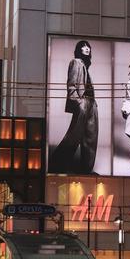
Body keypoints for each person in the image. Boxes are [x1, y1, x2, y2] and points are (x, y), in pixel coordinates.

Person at [49, 40, 99, 174]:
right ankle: (56, 163)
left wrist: (92, 104)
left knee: (91, 138)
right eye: (84, 46)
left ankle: (87, 169)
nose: (87, 48)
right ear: (79, 49)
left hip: (92, 104)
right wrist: (78, 102)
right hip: (83, 103)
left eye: (88, 46)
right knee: (74, 136)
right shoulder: (76, 62)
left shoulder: (85, 67)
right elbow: (71, 84)